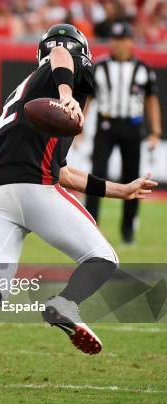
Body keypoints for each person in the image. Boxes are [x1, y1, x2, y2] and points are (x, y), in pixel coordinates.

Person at [0, 24, 158, 391]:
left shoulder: (24, 89)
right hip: (32, 189)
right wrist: (67, 92)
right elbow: (61, 53)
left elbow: (61, 169)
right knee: (103, 258)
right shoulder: (64, 70)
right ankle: (66, 305)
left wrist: (120, 190)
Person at [84, 22, 162, 244]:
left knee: (132, 178)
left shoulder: (143, 69)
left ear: (131, 42)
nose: (118, 44)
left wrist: (156, 131)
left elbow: (151, 100)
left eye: (122, 39)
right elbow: (88, 98)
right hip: (106, 125)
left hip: (132, 126)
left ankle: (128, 231)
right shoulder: (98, 67)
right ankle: (91, 227)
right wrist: (78, 126)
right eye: (114, 39)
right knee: (96, 176)